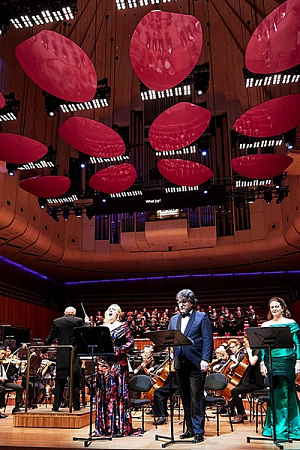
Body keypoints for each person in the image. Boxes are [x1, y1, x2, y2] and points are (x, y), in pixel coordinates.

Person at [168, 289, 213, 443]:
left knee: (197, 398)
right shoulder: (173, 319)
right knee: (185, 397)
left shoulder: (202, 317)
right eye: (179, 302)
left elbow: (208, 340)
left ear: (192, 303)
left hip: (196, 363)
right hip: (180, 363)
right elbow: (169, 338)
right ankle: (190, 429)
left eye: (184, 302)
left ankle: (199, 430)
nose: (181, 305)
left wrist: (205, 359)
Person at [94, 304, 139, 437]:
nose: (110, 311)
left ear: (118, 314)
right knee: (103, 394)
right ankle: (104, 427)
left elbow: (130, 343)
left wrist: (116, 351)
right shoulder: (102, 328)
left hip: (117, 365)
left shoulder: (124, 326)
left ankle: (118, 427)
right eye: (108, 310)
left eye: (113, 310)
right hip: (103, 364)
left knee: (116, 393)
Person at [259, 297, 300, 440]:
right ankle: (274, 429)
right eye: (272, 307)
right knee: (275, 394)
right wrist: (262, 363)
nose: (274, 309)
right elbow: (263, 348)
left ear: (283, 307)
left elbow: (297, 343)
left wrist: (298, 362)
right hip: (271, 361)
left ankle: (288, 429)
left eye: (277, 306)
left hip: (288, 360)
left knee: (287, 392)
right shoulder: (266, 325)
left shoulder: (291, 323)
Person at [44, 306, 87, 411]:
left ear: (65, 313)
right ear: (74, 313)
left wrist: (44, 350)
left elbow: (50, 337)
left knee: (60, 381)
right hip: (74, 354)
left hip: (62, 354)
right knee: (75, 381)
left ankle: (56, 406)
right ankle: (76, 405)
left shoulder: (57, 321)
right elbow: (84, 335)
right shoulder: (79, 321)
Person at [228, 336, 265, 423]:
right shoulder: (250, 352)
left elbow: (252, 362)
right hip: (249, 381)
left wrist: (248, 350)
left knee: (235, 391)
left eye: (245, 342)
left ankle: (240, 415)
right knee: (233, 389)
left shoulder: (257, 350)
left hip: (257, 382)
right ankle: (242, 413)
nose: (244, 344)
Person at [0, 347, 24, 414]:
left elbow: (11, 373)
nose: (4, 355)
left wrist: (16, 366)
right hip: (0, 382)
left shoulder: (6, 363)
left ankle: (16, 407)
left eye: (5, 354)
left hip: (6, 382)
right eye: (2, 353)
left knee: (20, 388)